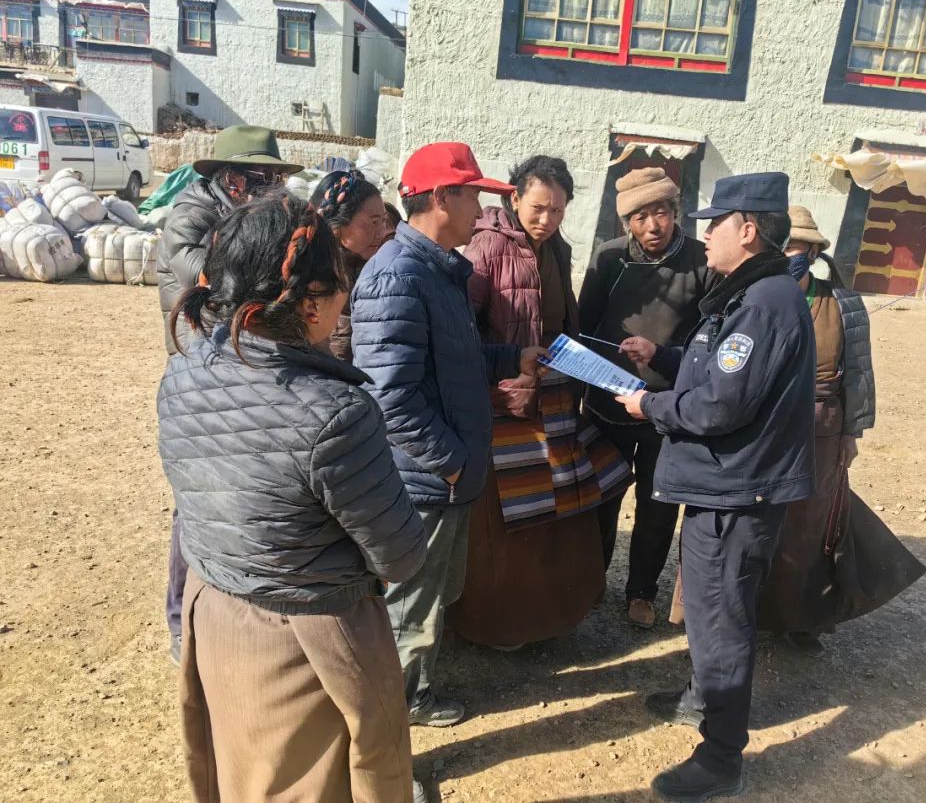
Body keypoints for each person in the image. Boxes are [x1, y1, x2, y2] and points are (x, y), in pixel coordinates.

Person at [158, 193, 427, 802]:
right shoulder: (336, 412)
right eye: (341, 282)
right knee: (322, 779)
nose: (347, 295)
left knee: (243, 767)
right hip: (311, 633)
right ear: (310, 304)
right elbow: (401, 554)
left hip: (215, 608)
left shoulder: (184, 370)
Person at [616, 173, 816, 800]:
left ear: (747, 229)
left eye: (715, 224)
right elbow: (716, 371)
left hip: (737, 490)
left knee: (721, 620)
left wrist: (650, 405)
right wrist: (662, 357)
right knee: (708, 613)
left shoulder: (764, 303)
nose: (702, 236)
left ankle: (721, 755)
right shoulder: (747, 294)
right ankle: (701, 700)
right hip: (722, 485)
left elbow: (721, 406)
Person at [351, 142, 549, 727]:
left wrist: (512, 357)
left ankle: (414, 683)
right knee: (411, 602)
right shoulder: (398, 276)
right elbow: (389, 395)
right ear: (441, 197)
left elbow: (452, 359)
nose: (484, 212)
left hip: (445, 475)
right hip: (425, 479)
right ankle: (402, 704)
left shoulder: (437, 269)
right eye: (475, 197)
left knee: (434, 592)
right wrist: (451, 460)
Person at [446, 155, 632, 649]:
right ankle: (499, 622)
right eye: (539, 207)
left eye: (558, 211)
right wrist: (509, 365)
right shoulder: (486, 246)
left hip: (556, 395)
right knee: (510, 516)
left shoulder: (557, 248)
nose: (547, 219)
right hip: (506, 401)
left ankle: (550, 614)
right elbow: (462, 331)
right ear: (514, 197)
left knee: (560, 503)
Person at [157, 124, 302, 664]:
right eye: (258, 177)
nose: (268, 186)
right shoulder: (193, 213)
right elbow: (203, 273)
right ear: (228, 176)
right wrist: (263, 261)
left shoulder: (262, 211)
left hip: (246, 359)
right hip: (204, 365)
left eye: (273, 178)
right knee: (195, 501)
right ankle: (181, 621)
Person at [578, 167, 718, 630]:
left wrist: (662, 355)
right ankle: (592, 579)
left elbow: (709, 340)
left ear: (675, 211)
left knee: (658, 504)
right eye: (640, 217)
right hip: (609, 402)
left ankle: (641, 590)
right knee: (602, 496)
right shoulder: (609, 257)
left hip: (668, 407)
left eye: (661, 212)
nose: (653, 226)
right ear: (626, 223)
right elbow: (585, 327)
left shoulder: (701, 261)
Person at [756, 206, 877, 653]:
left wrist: (850, 434)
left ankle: (799, 618)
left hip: (820, 430)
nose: (789, 255)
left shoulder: (844, 304)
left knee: (810, 525)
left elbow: (858, 374)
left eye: (797, 247)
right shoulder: (751, 298)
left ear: (811, 252)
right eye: (782, 247)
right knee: (756, 521)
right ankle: (743, 615)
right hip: (763, 428)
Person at [309, 171, 388, 361]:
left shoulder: (379, 273)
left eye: (383, 221)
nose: (382, 232)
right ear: (338, 226)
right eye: (374, 222)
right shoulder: (313, 280)